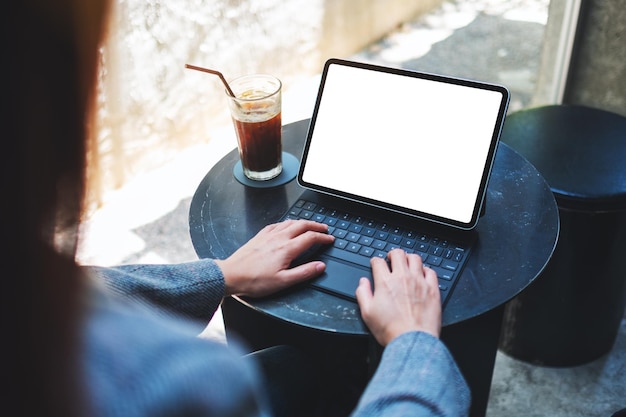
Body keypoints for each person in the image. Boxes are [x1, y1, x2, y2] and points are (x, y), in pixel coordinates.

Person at [4, 0, 470, 416]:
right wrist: (415, 345)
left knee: (296, 367)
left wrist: (220, 274)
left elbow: (84, 292)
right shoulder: (189, 385)